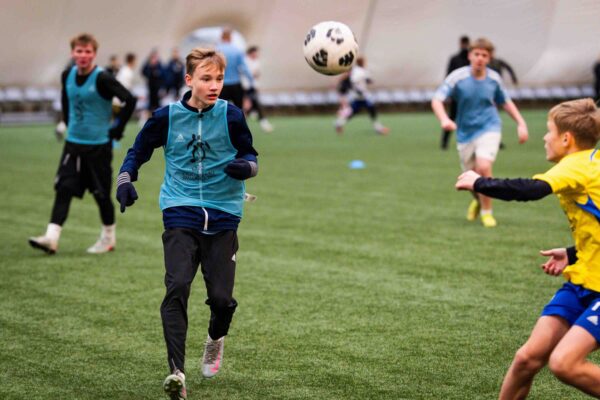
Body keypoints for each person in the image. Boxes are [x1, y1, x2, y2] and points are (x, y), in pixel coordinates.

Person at [115, 48, 258, 399]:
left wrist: (245, 167)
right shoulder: (166, 117)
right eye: (206, 79)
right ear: (189, 79)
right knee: (177, 285)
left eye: (219, 79)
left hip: (224, 213)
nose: (214, 85)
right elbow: (138, 151)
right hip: (180, 209)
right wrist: (125, 179)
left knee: (221, 299)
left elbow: (250, 155)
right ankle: (176, 372)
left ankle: (215, 339)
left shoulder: (231, 115)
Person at [455, 98, 600, 399]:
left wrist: (481, 183)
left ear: (566, 138)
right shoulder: (590, 164)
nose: (544, 138)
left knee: (564, 363)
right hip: (584, 279)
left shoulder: (575, 166)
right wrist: (573, 252)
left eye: (549, 131)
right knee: (526, 359)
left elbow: (532, 190)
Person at [28, 33, 136, 254]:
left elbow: (130, 99)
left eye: (88, 51)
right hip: (73, 145)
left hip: (98, 147)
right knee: (63, 189)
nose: (83, 55)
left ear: (94, 54)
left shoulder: (102, 78)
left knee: (101, 195)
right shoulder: (67, 75)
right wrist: (67, 124)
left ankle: (108, 238)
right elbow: (66, 100)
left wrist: (117, 129)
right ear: (73, 53)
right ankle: (51, 238)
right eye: (79, 51)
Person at [431, 37, 528, 228]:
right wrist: (444, 119)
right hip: (465, 132)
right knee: (469, 178)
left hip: (489, 127)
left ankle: (487, 212)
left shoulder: (494, 79)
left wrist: (521, 123)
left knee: (484, 167)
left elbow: (505, 102)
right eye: (477, 54)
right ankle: (478, 200)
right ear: (470, 56)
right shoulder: (457, 77)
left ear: (489, 58)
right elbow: (437, 99)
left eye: (484, 55)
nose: (480, 58)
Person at [334, 56, 389, 135]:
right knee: (371, 109)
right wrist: (358, 89)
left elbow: (361, 80)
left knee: (355, 111)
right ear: (362, 62)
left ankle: (339, 123)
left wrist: (366, 81)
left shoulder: (356, 70)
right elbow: (354, 80)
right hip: (361, 95)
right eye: (364, 62)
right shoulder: (360, 71)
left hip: (358, 95)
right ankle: (378, 128)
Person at [440, 35, 470, 150]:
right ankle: (444, 142)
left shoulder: (471, 59)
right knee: (451, 117)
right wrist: (448, 93)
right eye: (463, 43)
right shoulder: (455, 59)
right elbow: (448, 76)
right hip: (457, 95)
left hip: (470, 95)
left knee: (473, 117)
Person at [216, 27, 254, 109]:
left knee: (220, 109)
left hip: (221, 84)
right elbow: (244, 68)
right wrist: (251, 80)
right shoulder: (237, 50)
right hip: (235, 84)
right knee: (238, 109)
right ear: (230, 37)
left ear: (221, 37)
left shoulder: (217, 51)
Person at [242, 46, 273, 132]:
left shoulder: (257, 62)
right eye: (255, 53)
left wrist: (257, 85)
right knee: (248, 106)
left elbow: (256, 75)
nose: (256, 54)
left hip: (253, 87)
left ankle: (261, 122)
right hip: (245, 87)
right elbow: (246, 74)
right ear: (251, 53)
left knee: (253, 106)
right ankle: (263, 122)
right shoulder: (245, 61)